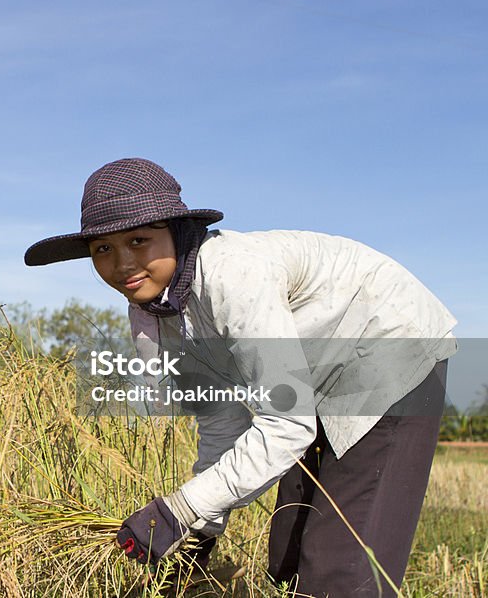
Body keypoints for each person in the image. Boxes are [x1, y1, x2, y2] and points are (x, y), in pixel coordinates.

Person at [23, 158, 457, 597]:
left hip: (389, 348)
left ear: (176, 231)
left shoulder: (234, 274)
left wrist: (178, 509)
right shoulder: (155, 317)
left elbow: (287, 425)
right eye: (103, 249)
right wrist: (199, 532)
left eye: (139, 240)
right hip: (312, 379)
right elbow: (220, 421)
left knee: (340, 568)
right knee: (289, 550)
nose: (123, 264)